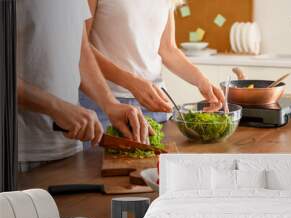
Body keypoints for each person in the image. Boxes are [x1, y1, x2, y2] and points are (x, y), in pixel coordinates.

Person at [16, 0, 151, 171]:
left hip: (70, 148)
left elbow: (81, 51)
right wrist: (55, 107)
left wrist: (110, 104)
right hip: (20, 154)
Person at [80, 0, 225, 128]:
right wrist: (131, 83)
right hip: (105, 103)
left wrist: (202, 81)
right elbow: (80, 47)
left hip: (154, 104)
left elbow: (168, 49)